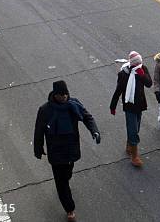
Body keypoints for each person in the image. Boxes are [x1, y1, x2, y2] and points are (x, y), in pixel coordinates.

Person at [34, 80, 100, 222]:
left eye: (66, 94)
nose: (64, 97)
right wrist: (38, 148)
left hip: (71, 148)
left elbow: (87, 117)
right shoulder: (45, 110)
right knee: (61, 182)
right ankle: (69, 209)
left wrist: (94, 131)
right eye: (61, 95)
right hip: (56, 151)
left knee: (67, 173)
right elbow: (39, 130)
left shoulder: (73, 105)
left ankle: (66, 185)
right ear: (55, 95)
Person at [110, 51, 152, 167]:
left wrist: (142, 74)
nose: (139, 64)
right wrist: (112, 106)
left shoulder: (143, 69)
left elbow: (149, 83)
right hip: (129, 106)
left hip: (140, 105)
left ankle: (129, 144)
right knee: (133, 129)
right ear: (132, 64)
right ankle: (134, 156)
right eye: (137, 63)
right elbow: (118, 90)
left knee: (136, 127)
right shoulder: (124, 74)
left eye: (140, 62)